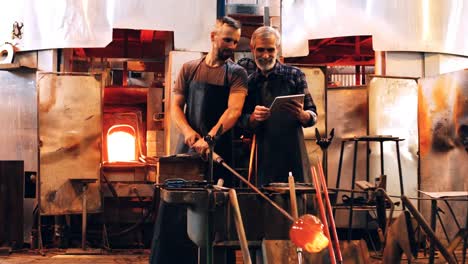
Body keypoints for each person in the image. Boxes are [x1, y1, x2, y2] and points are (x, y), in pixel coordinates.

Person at [150, 16, 248, 264]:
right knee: (175, 209)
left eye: (235, 42)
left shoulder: (237, 74)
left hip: (218, 148)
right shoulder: (189, 68)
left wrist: (211, 137)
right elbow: (175, 106)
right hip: (188, 149)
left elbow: (234, 111)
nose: (231, 46)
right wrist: (187, 132)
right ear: (213, 37)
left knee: (214, 215)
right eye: (227, 40)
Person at [241, 26, 317, 186]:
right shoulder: (249, 82)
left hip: (293, 152)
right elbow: (241, 122)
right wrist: (253, 118)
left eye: (270, 49)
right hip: (262, 155)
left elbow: (313, 114)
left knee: (296, 200)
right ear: (252, 48)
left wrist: (304, 116)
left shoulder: (295, 75)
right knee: (263, 203)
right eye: (260, 50)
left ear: (278, 48)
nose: (265, 55)